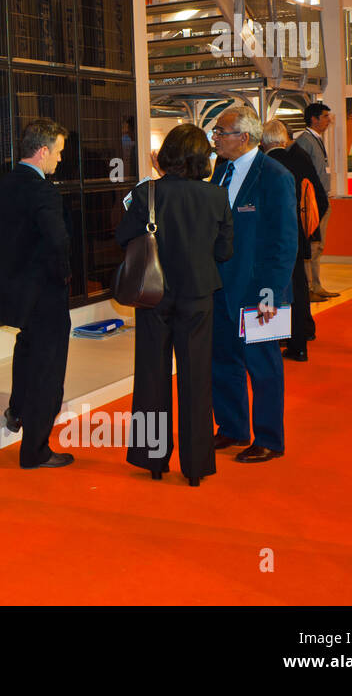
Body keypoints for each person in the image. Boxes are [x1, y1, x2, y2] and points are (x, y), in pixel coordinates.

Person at [116, 124, 232, 486]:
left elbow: (123, 238)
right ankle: (196, 467)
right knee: (197, 379)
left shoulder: (146, 193)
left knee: (152, 376)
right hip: (198, 296)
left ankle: (152, 460)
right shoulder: (216, 196)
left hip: (154, 296)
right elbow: (225, 251)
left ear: (167, 154)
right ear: (202, 157)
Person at [209, 106, 297, 463]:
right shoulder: (220, 171)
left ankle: (269, 439)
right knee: (222, 360)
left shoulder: (274, 175)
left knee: (263, 367)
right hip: (219, 288)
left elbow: (284, 241)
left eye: (220, 132)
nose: (215, 139)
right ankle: (232, 427)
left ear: (243, 137)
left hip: (261, 291)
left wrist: (271, 294)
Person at [0, 118, 74, 469]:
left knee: (25, 350)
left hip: (14, 288)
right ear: (42, 152)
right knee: (47, 370)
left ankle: (17, 411)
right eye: (58, 152)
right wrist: (64, 276)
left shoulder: (1, 185)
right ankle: (35, 450)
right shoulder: (43, 191)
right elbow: (57, 241)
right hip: (44, 293)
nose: (60, 160)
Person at [262, 119, 327, 361]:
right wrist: (307, 228)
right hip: (297, 237)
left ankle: (272, 339)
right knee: (298, 288)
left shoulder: (265, 166)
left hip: (271, 241)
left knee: (272, 290)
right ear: (284, 139)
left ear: (263, 141)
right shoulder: (300, 160)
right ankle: (300, 341)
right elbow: (320, 197)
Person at [292, 103, 339, 301]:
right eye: (326, 116)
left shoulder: (316, 139)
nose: (329, 120)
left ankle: (317, 285)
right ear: (314, 119)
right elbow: (303, 174)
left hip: (322, 198)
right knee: (311, 246)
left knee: (318, 246)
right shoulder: (305, 141)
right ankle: (309, 288)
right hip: (311, 201)